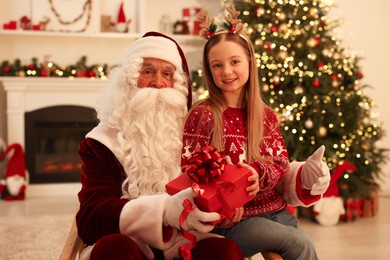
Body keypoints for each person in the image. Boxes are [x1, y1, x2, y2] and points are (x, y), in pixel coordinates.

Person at [75, 31, 244, 260]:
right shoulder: (101, 142)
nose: (158, 82)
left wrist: (224, 204)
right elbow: (91, 219)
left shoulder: (194, 133)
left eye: (167, 74)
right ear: (129, 80)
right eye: (147, 72)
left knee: (223, 252)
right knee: (113, 250)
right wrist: (164, 211)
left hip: (183, 241)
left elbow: (211, 188)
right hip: (130, 242)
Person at [180, 6, 330, 260]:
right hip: (236, 220)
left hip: (274, 209)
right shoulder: (203, 114)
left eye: (234, 62)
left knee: (299, 242)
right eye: (217, 65)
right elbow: (190, 170)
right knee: (299, 244)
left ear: (250, 62)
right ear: (209, 70)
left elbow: (280, 162)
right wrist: (223, 204)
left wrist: (257, 172)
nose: (226, 71)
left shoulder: (266, 116)